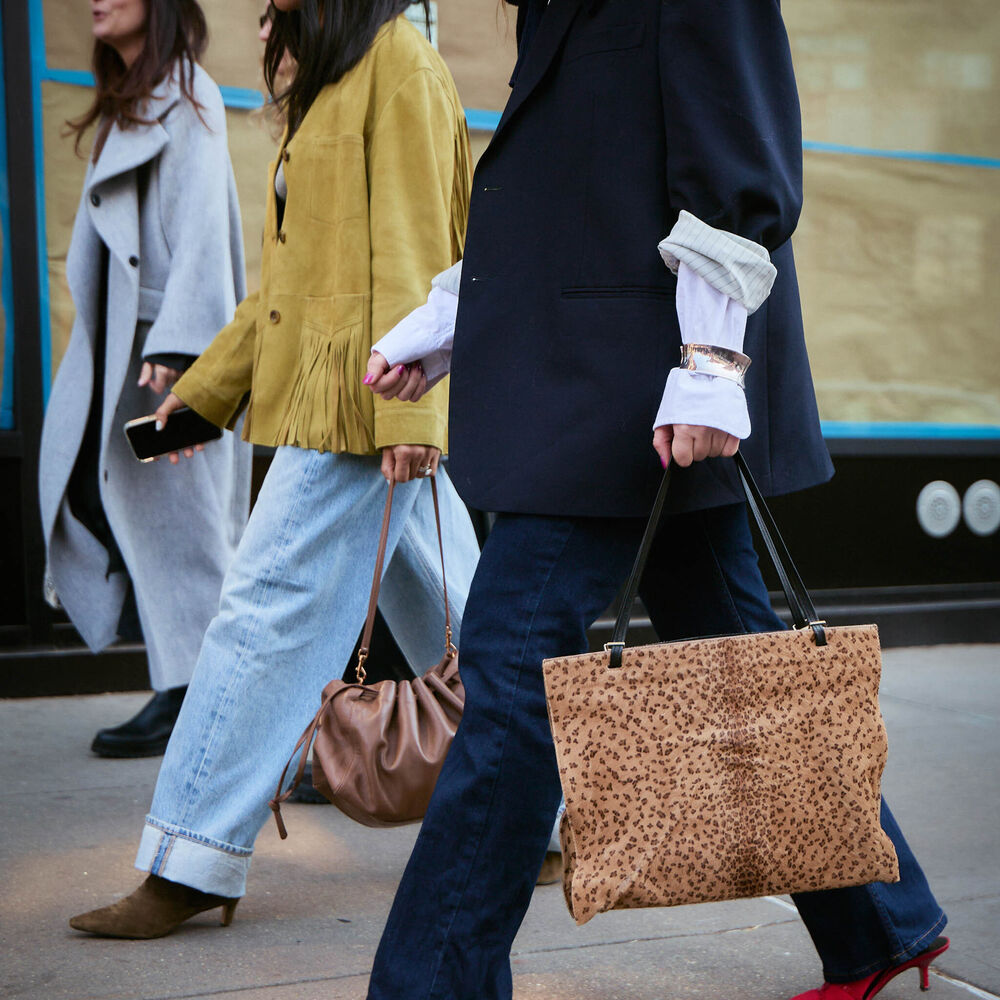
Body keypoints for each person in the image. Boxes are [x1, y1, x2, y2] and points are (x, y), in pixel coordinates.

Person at [361, 1, 949, 998]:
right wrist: (448, 322)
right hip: (606, 391)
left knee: (511, 682)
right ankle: (881, 925)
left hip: (639, 392)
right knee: (740, 666)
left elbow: (739, 168)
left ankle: (431, 987)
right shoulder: (552, 10)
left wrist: (712, 365)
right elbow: (571, 201)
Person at [67, 0, 481, 940]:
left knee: (260, 614)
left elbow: (426, 259)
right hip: (341, 402)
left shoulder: (402, 65)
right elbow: (286, 291)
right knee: (478, 619)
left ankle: (191, 858)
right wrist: (207, 391)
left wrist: (410, 411)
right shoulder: (330, 81)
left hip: (359, 407)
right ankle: (533, 812)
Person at [38, 0, 251, 758]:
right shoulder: (133, 103)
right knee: (132, 506)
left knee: (188, 523)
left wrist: (186, 347)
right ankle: (186, 686)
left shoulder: (188, 95)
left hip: (169, 357)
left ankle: (196, 695)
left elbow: (201, 227)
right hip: (127, 353)